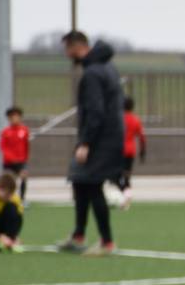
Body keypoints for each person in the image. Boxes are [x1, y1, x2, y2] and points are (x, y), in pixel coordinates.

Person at [56, 31, 124, 255]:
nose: (67, 55)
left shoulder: (93, 73)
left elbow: (96, 111)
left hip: (100, 139)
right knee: (80, 181)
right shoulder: (107, 67)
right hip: (109, 136)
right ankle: (78, 235)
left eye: (67, 49)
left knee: (93, 185)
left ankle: (107, 242)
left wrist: (86, 143)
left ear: (77, 47)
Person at [114, 95, 147, 208]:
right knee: (126, 176)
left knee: (115, 176)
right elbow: (142, 137)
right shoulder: (135, 120)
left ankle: (125, 195)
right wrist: (143, 151)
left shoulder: (118, 119)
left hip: (119, 151)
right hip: (130, 152)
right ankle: (126, 201)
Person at [0, 106, 29, 203]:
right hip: (9, 162)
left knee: (23, 177)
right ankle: (8, 199)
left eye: (17, 116)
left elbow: (26, 145)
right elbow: (3, 147)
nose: (14, 119)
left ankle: (22, 199)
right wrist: (11, 158)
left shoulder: (24, 130)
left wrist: (24, 159)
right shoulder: (6, 132)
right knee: (9, 181)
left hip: (21, 161)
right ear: (9, 118)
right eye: (12, 117)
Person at [0, 172, 24, 251]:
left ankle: (10, 238)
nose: (8, 197)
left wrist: (13, 236)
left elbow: (18, 219)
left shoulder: (14, 199)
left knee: (12, 208)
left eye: (10, 194)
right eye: (6, 194)